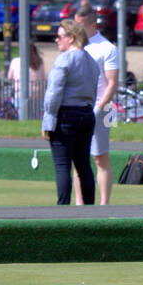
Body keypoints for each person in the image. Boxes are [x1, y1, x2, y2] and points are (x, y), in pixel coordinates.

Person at [41, 19, 100, 205]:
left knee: (62, 166)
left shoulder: (64, 59)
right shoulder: (92, 62)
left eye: (59, 37)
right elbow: (92, 91)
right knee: (84, 166)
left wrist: (48, 122)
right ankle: (90, 210)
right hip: (86, 114)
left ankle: (63, 210)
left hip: (66, 115)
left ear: (71, 38)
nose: (56, 40)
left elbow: (54, 93)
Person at [73, 1, 119, 206]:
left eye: (80, 26)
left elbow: (112, 83)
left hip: (101, 109)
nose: (77, 30)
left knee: (100, 157)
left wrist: (98, 109)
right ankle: (79, 203)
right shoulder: (75, 47)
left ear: (92, 25)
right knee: (78, 160)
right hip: (78, 108)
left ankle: (104, 203)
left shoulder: (107, 48)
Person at [6, 42, 46, 120]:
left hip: (20, 94)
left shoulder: (15, 61)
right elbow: (43, 79)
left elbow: (9, 78)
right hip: (38, 96)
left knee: (22, 117)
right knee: (35, 118)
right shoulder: (39, 62)